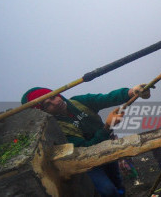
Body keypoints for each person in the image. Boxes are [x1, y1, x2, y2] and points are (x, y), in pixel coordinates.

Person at [21, 84, 151, 197]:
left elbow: (105, 98)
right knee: (107, 190)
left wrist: (131, 92)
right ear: (43, 112)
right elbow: (86, 147)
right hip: (87, 162)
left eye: (53, 96)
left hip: (107, 147)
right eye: (47, 105)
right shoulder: (57, 128)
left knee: (117, 180)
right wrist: (107, 127)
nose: (55, 102)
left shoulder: (78, 102)